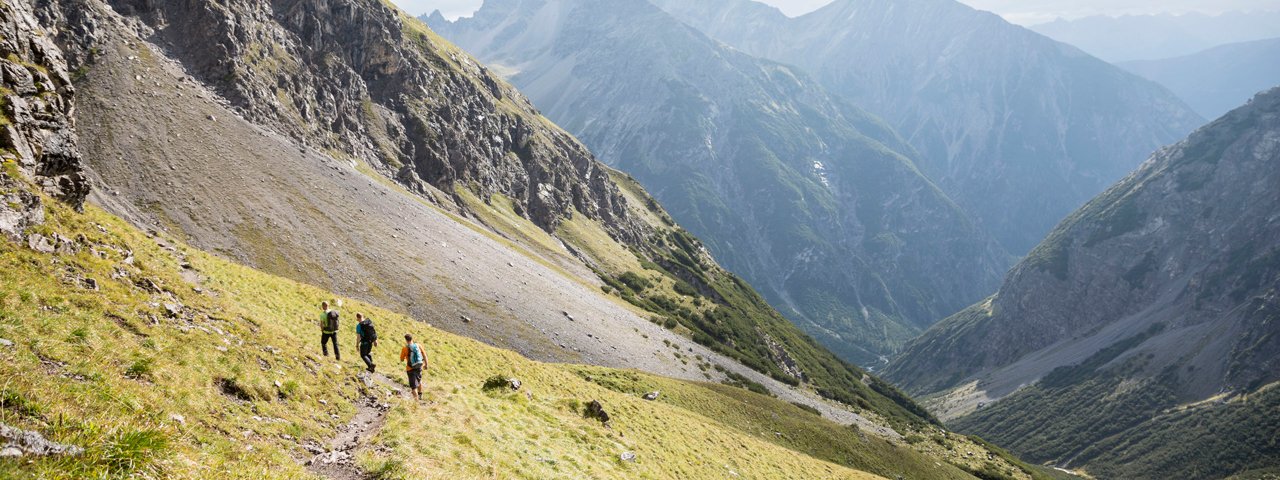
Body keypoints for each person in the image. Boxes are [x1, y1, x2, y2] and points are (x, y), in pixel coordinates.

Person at [400, 334, 426, 400]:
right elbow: (424, 355)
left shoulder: (405, 348)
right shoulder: (418, 345)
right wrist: (426, 364)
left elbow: (401, 359)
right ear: (412, 339)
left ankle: (416, 402)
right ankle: (420, 395)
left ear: (406, 340)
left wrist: (405, 357)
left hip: (410, 368)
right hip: (419, 366)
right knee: (419, 381)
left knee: (413, 387)